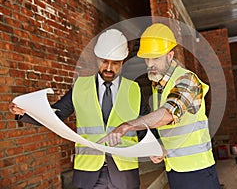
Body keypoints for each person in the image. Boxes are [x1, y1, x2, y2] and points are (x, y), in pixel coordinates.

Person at [9, 29, 149, 189]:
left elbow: (144, 126)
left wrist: (156, 147)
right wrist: (25, 112)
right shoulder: (80, 87)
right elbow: (56, 115)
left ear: (123, 61)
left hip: (124, 173)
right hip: (89, 172)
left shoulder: (134, 89)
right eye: (104, 61)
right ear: (96, 58)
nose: (109, 68)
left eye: (115, 63)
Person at [99, 23, 221, 189]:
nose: (149, 64)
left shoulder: (187, 80)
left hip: (197, 170)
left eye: (155, 58)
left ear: (170, 56)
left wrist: (127, 126)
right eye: (146, 58)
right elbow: (175, 130)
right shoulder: (159, 86)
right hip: (174, 168)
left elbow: (167, 115)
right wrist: (164, 149)